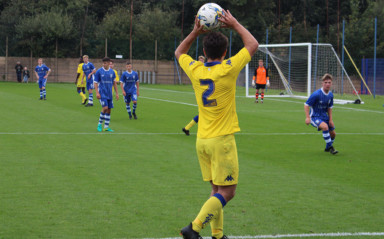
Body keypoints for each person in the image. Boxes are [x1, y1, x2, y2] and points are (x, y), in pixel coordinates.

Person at [175, 10, 258, 239]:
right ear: (225, 52)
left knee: (216, 191)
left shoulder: (195, 69)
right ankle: (193, 227)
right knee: (228, 192)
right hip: (221, 141)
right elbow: (252, 43)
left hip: (202, 140)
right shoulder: (228, 69)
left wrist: (194, 31)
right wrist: (234, 24)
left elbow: (179, 51)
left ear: (203, 52)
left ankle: (218, 235)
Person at [304, 73, 338, 155]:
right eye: (325, 82)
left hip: (324, 116)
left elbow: (330, 108)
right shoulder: (316, 94)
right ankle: (331, 147)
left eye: (329, 82)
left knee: (333, 134)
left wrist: (330, 120)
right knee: (325, 127)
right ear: (322, 83)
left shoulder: (330, 95)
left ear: (331, 83)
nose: (327, 84)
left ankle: (327, 148)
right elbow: (306, 105)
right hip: (315, 117)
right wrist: (308, 117)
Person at [182, 56, 205, 136]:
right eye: (200, 60)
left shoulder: (203, 70)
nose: (201, 61)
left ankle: (186, 128)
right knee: (205, 115)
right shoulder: (198, 70)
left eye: (202, 60)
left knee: (202, 115)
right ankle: (187, 128)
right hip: (202, 96)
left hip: (205, 96)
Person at [94, 57, 119, 132]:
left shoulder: (112, 72)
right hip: (102, 93)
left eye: (105, 63)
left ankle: (106, 127)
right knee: (105, 108)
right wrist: (97, 92)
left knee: (109, 110)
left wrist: (117, 93)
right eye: (103, 63)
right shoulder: (99, 71)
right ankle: (99, 124)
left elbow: (114, 83)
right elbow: (95, 82)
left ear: (108, 63)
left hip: (109, 94)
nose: (104, 64)